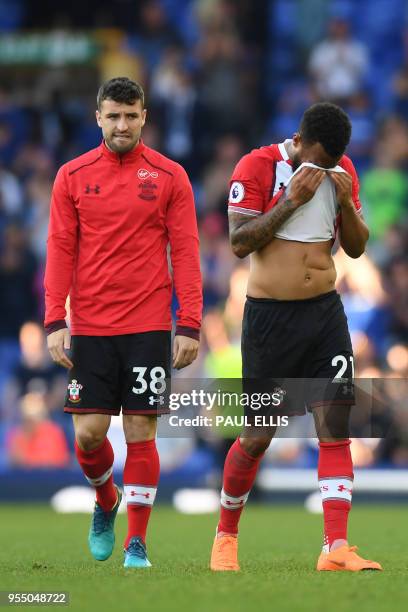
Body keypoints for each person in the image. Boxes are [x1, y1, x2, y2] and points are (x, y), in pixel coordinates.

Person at [210, 102, 382, 572]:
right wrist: (291, 201)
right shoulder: (258, 166)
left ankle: (336, 547)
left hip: (325, 315)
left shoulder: (342, 168)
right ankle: (225, 538)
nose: (326, 169)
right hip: (270, 320)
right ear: (300, 140)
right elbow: (240, 241)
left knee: (335, 425)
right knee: (258, 435)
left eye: (334, 162)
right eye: (321, 159)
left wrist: (345, 201)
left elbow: (356, 246)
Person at [44, 77, 202, 568]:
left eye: (131, 116)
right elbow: (60, 249)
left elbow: (187, 249)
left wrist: (189, 322)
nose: (122, 125)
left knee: (140, 430)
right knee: (89, 435)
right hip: (89, 325)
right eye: (113, 116)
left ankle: (137, 542)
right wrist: (54, 319)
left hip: (148, 324)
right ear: (98, 118)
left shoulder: (170, 175)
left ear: (144, 117)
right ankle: (106, 497)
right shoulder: (71, 176)